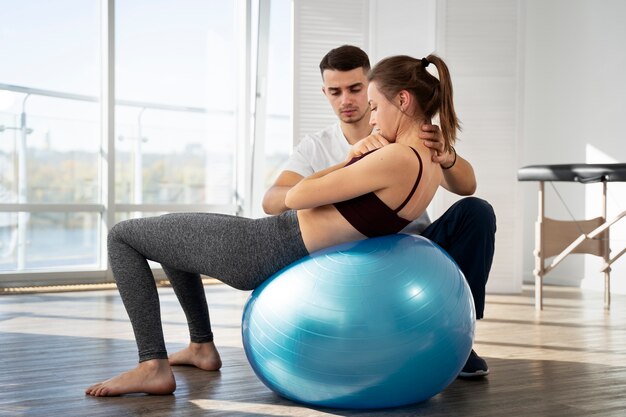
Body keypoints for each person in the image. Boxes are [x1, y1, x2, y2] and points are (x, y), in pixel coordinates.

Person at [86, 52, 461, 397]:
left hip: (260, 248)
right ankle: (201, 347)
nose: (373, 118)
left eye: (375, 106)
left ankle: (152, 364)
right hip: (274, 246)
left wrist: (352, 157)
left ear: (404, 101)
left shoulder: (394, 156)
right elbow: (466, 184)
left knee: (123, 236)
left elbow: (296, 196)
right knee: (168, 234)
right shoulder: (431, 158)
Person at [263, 45, 496, 378]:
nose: (346, 99)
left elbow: (467, 186)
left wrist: (447, 156)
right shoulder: (316, 146)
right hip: (355, 255)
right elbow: (273, 201)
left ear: (372, 85)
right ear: (325, 93)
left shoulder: (417, 136)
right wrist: (344, 168)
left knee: (477, 212)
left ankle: (459, 334)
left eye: (356, 89)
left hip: (414, 250)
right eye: (335, 91)